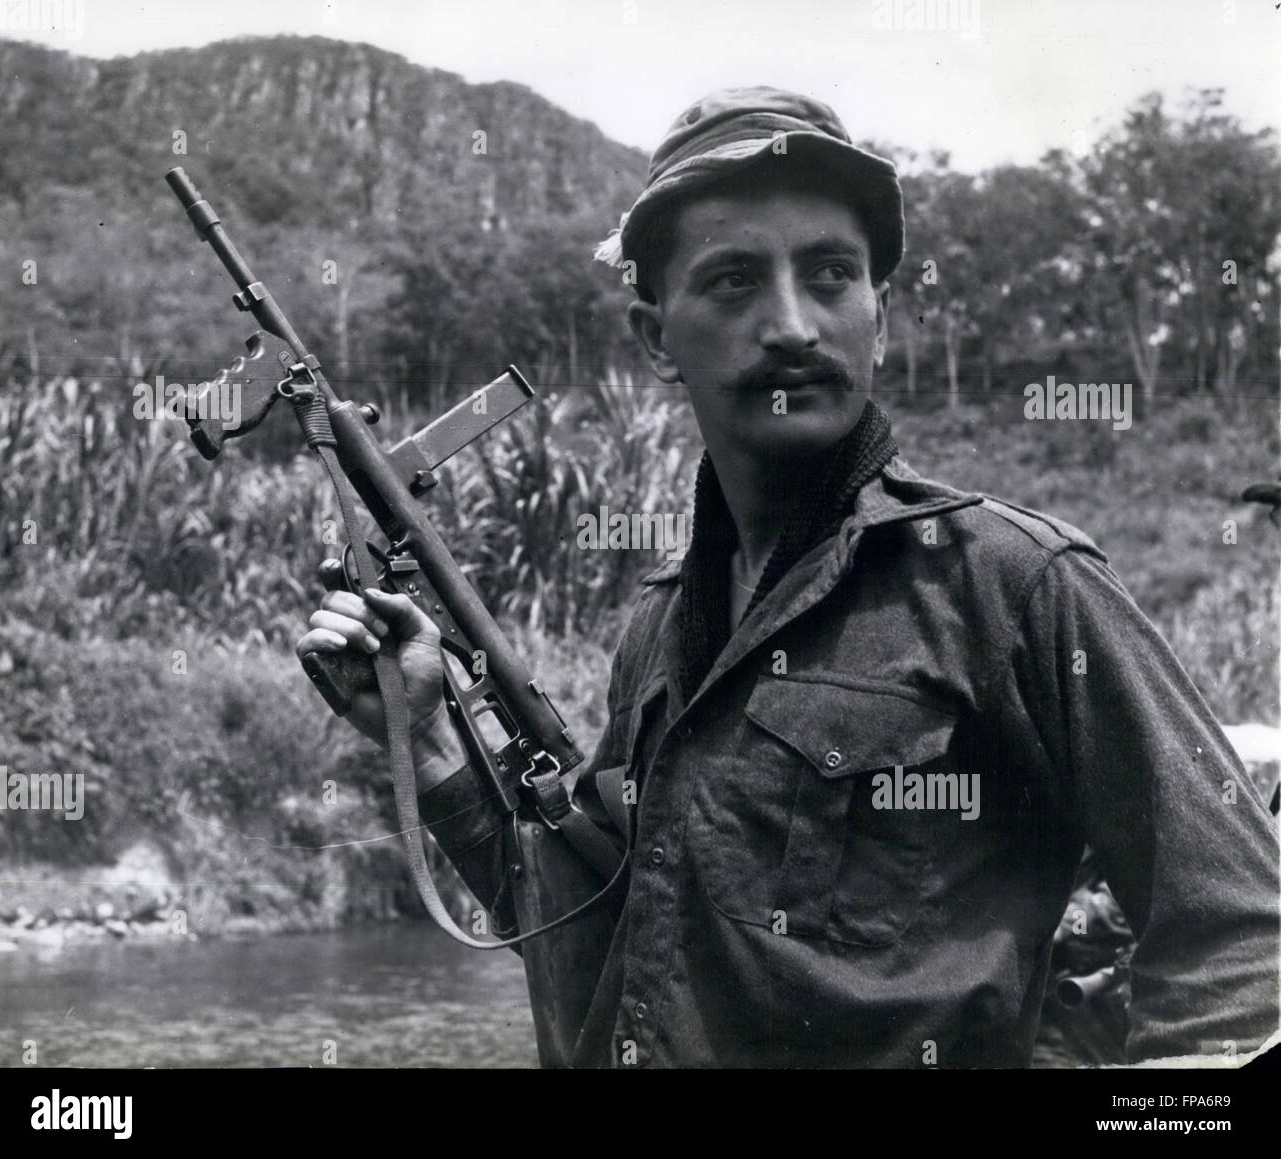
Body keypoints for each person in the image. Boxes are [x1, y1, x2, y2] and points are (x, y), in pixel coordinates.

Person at [295, 88, 1280, 1068]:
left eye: (830, 275)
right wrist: (427, 741)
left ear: (879, 320)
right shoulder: (661, 627)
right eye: (731, 282)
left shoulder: (1014, 586)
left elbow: (1243, 945)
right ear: (654, 340)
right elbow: (599, 936)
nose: (793, 326)